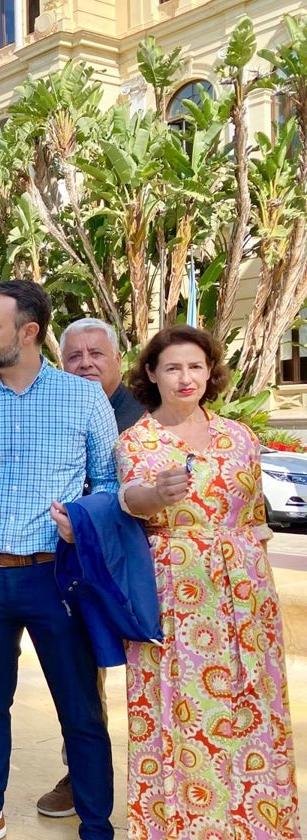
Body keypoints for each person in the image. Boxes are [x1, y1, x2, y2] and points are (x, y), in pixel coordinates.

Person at [0, 281, 116, 840]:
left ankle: (97, 823)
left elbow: (109, 481)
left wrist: (81, 516)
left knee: (79, 706)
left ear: (28, 332)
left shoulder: (84, 399)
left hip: (56, 576)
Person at [108, 326, 300, 839]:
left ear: (210, 372)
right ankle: (182, 825)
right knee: (180, 705)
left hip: (245, 592)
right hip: (175, 591)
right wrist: (157, 493)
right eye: (172, 367)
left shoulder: (240, 435)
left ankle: (256, 822)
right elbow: (132, 501)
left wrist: (261, 595)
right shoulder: (135, 441)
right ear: (151, 374)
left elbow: (256, 519)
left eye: (195, 366)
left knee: (250, 703)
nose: (185, 377)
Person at [37, 316, 145, 818]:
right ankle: (81, 775)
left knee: (158, 676)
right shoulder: (54, 405)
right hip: (77, 567)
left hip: (144, 566)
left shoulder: (147, 414)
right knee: (82, 680)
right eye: (73, 356)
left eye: (95, 354)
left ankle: (163, 773)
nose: (84, 364)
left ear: (118, 358)